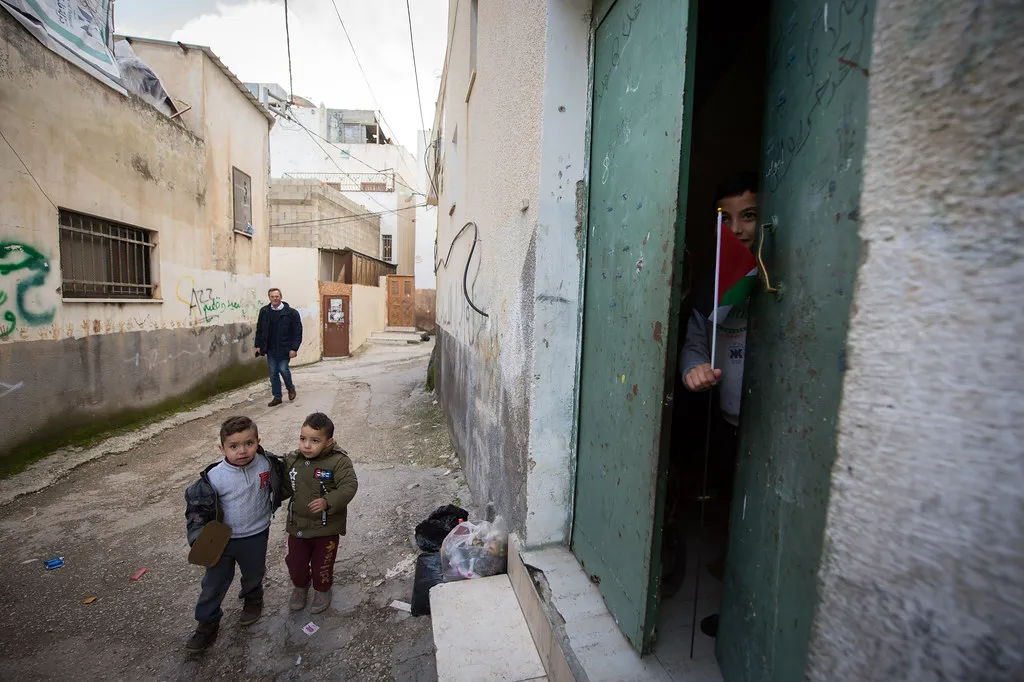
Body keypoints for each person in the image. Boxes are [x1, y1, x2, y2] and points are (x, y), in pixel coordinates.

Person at [677, 172, 759, 636]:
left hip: (775, 428)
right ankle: (738, 593)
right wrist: (692, 370)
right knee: (735, 510)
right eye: (726, 219)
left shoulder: (777, 277)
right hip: (731, 421)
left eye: (749, 216)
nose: (739, 229)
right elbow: (694, 343)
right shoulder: (717, 283)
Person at [183, 416, 286, 652]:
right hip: (223, 542)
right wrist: (198, 536)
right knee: (214, 583)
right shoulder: (215, 477)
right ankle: (207, 623)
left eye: (248, 443)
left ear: (258, 441)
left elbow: (285, 481)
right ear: (222, 448)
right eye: (233, 446)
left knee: (254, 572)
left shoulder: (267, 463)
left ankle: (253, 598)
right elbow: (197, 510)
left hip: (257, 534)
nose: (242, 451)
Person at [282, 412, 358, 614]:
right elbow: (284, 486)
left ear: (328, 442)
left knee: (322, 565)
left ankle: (322, 590)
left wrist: (328, 501)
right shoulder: (293, 460)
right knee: (295, 564)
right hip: (297, 526)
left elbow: (348, 486)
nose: (307, 445)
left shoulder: (338, 462)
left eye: (315, 440)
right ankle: (300, 586)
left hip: (326, 528)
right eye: (303, 439)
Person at [254, 288, 303, 407]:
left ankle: (290, 388)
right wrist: (258, 345)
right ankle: (277, 396)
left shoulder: (291, 313)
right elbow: (259, 329)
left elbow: (298, 332)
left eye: (277, 296)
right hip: (270, 348)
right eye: (272, 296)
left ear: (281, 297)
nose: (275, 299)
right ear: (269, 298)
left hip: (285, 348)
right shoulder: (264, 311)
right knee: (273, 373)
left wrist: (294, 348)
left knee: (283, 369)